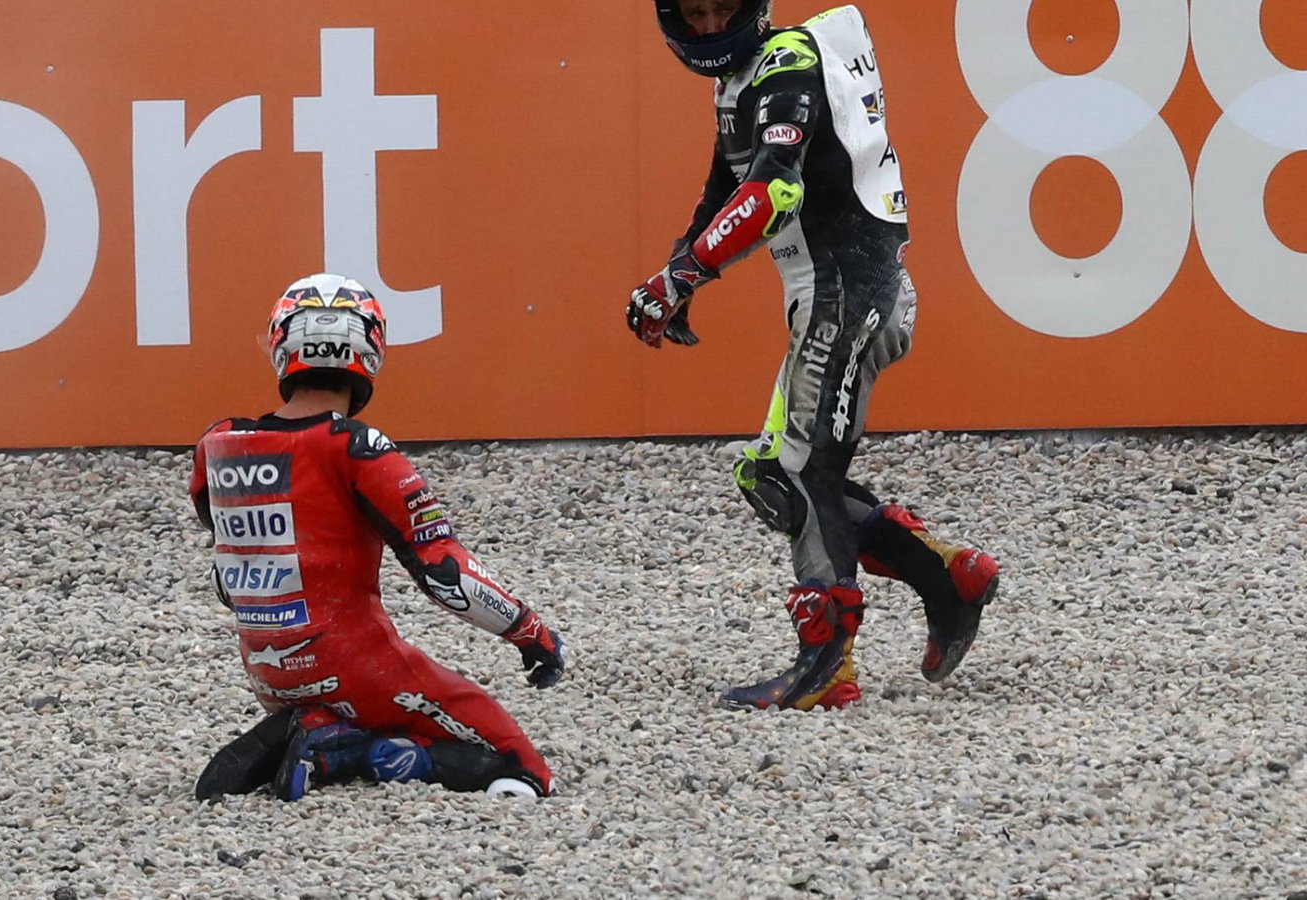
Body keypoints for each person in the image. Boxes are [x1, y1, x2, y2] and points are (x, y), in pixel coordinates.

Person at [626, 1, 1000, 711]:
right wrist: (683, 267)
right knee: (771, 472)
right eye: (694, 13)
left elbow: (774, 189)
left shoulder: (786, 64)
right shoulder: (743, 77)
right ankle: (949, 578)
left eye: (721, 9)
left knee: (800, 469)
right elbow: (723, 190)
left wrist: (681, 277)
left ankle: (827, 662)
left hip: (850, 293)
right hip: (838, 292)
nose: (708, 28)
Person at [191, 273, 565, 801]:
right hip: (357, 668)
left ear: (282, 345)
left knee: (384, 709)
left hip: (269, 676)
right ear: (368, 351)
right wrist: (533, 634)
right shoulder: (356, 446)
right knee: (525, 773)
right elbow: (445, 573)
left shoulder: (216, 443)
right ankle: (348, 753)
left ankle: (320, 728)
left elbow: (229, 572)